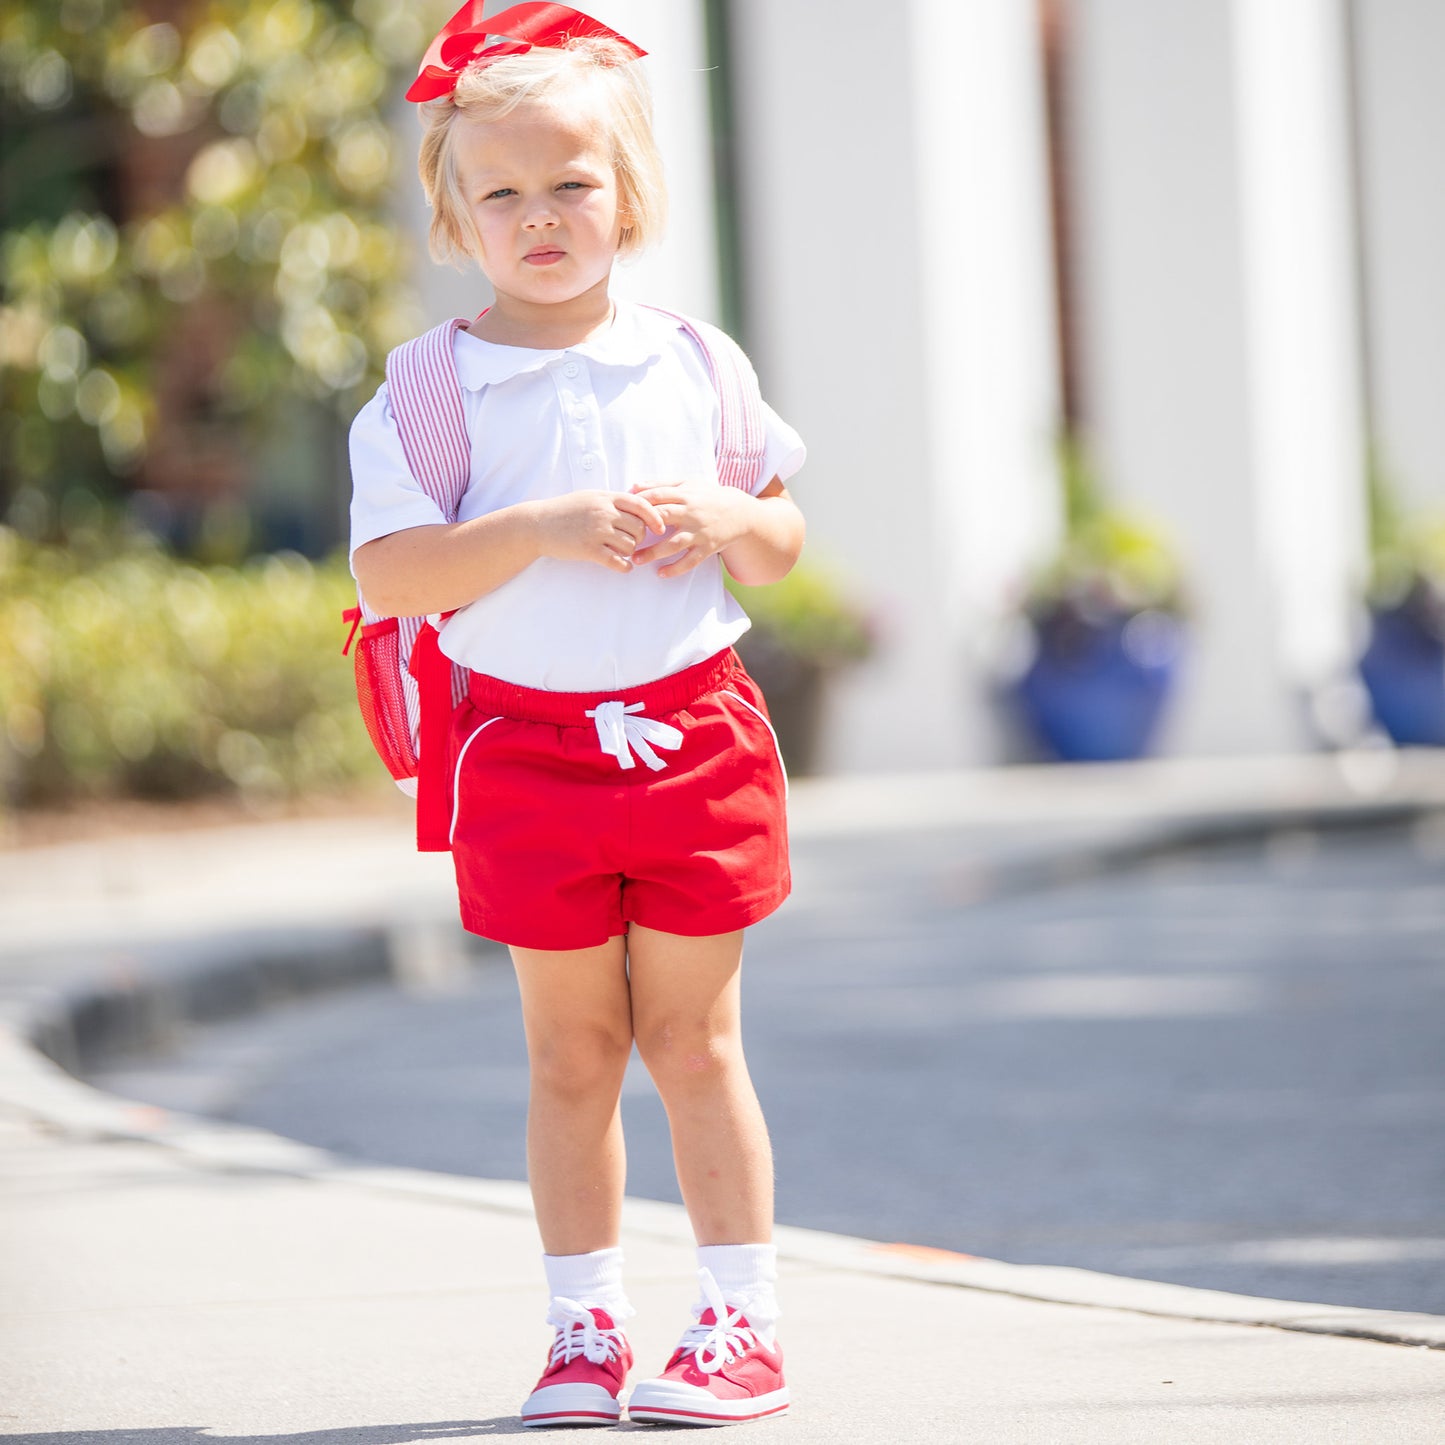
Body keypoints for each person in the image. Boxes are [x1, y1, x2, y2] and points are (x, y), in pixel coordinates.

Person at [347, 4, 805, 1429]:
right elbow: (386, 573)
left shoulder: (693, 359)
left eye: (571, 185)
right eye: (502, 193)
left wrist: (730, 513)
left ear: (630, 194)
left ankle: (740, 1319)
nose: (539, 217)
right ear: (453, 213)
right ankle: (582, 1326)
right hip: (528, 753)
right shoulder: (428, 391)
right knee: (569, 1050)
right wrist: (537, 525)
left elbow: (782, 536)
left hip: (690, 737)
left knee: (694, 1040)